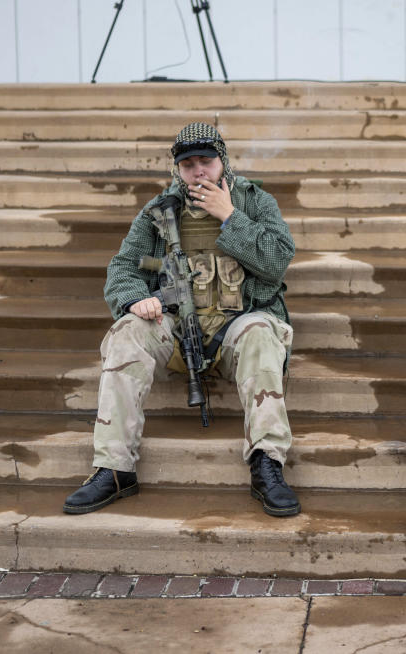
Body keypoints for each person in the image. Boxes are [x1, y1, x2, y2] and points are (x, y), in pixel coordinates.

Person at [63, 122, 300, 518]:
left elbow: (276, 262)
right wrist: (136, 300)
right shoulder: (159, 211)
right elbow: (123, 267)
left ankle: (267, 464)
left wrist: (230, 217)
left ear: (222, 161)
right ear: (177, 169)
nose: (199, 172)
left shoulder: (255, 202)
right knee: (125, 332)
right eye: (188, 164)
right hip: (175, 333)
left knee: (261, 331)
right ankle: (114, 468)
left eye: (206, 161)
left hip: (237, 330)